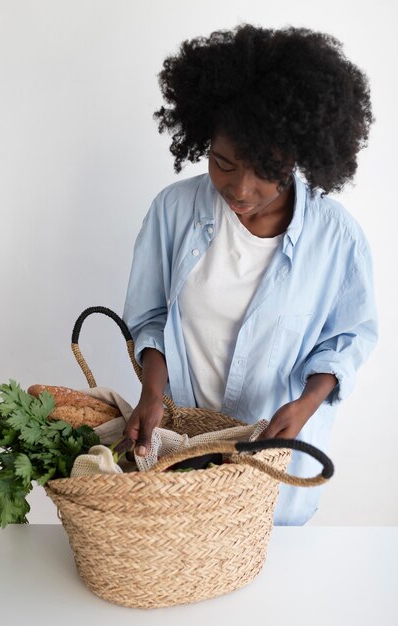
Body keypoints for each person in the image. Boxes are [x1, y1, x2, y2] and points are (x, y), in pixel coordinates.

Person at [122, 24, 378, 525]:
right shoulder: (173, 212)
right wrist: (152, 393)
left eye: (268, 170)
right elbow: (150, 314)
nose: (241, 188)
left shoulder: (337, 239)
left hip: (274, 470)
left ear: (300, 156)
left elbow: (347, 338)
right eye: (223, 163)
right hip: (183, 455)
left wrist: (307, 404)